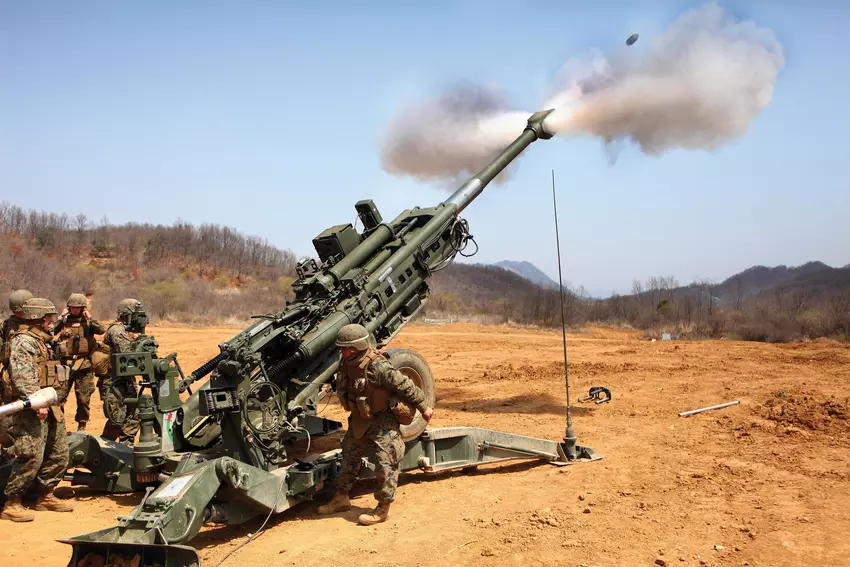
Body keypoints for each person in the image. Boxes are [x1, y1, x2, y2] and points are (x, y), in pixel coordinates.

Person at [317, 323, 434, 525]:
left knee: (385, 462)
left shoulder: (378, 366)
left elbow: (405, 385)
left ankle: (382, 508)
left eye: (345, 348)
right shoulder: (346, 362)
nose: (341, 351)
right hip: (359, 419)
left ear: (356, 347)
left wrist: (424, 407)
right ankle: (341, 498)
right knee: (349, 456)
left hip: (382, 421)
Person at [1, 297, 73, 522]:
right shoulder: (23, 341)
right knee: (30, 455)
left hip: (52, 405)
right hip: (33, 406)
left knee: (59, 453)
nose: (51, 321)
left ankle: (45, 495)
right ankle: (12, 502)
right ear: (37, 318)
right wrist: (36, 403)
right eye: (48, 317)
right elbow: (23, 377)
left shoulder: (44, 340)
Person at [52, 293, 105, 432]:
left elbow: (101, 330)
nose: (75, 310)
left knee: (83, 398)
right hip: (65, 365)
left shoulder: (87, 322)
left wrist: (90, 318)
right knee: (58, 397)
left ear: (82, 308)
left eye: (78, 307)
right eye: (72, 307)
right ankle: (59, 427)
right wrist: (60, 318)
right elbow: (50, 331)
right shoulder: (64, 321)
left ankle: (82, 426)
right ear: (68, 308)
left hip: (84, 365)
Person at [96, 298, 143, 444]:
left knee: (134, 415)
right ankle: (104, 447)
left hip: (126, 379)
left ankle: (126, 445)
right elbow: (126, 353)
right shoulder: (117, 330)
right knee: (117, 418)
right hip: (112, 381)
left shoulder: (129, 331)